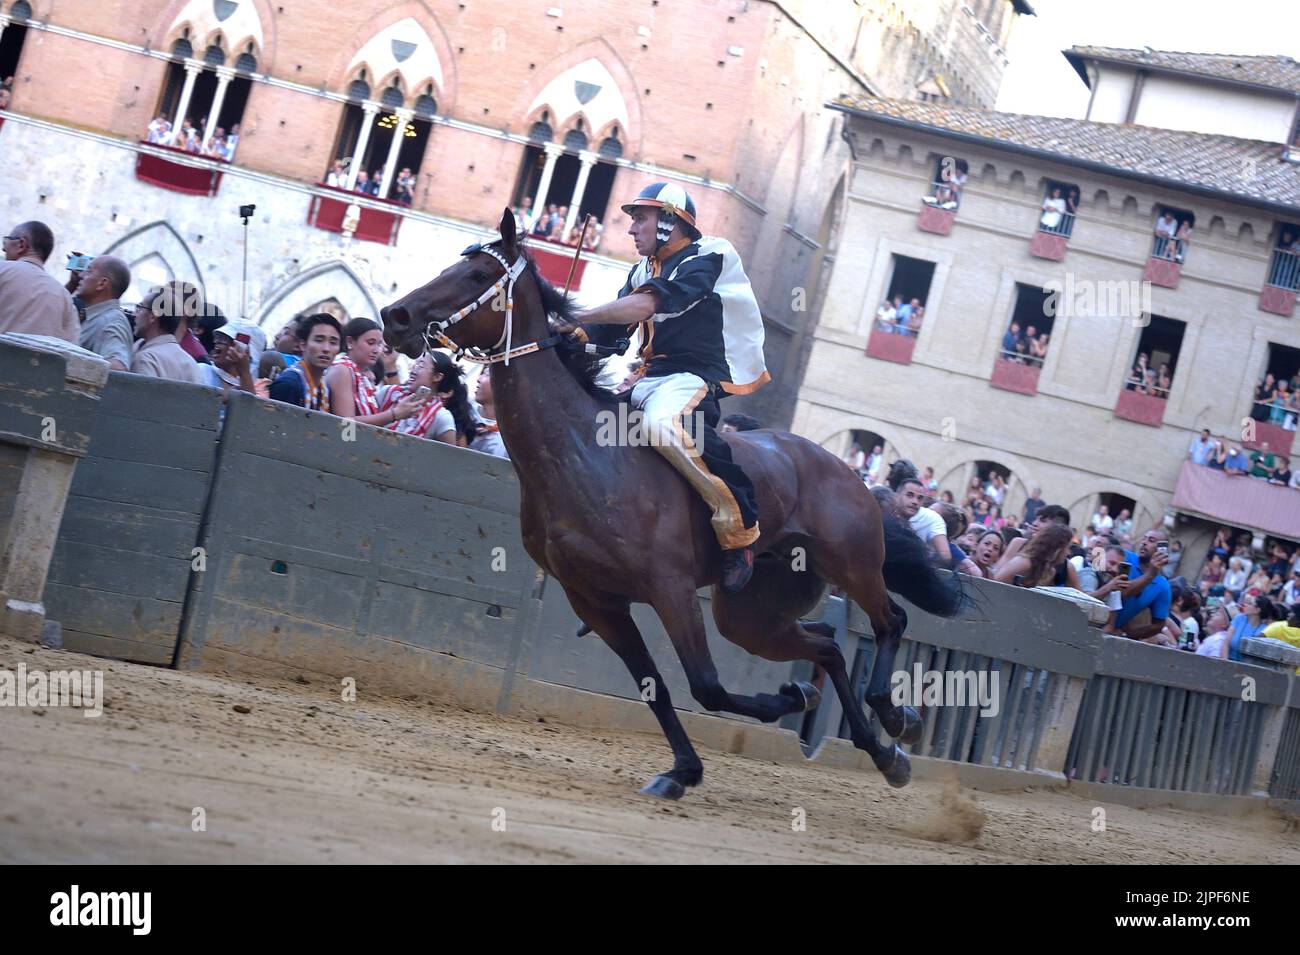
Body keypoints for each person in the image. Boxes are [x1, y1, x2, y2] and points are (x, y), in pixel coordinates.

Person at [560, 182, 770, 593]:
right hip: (648, 378)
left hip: (693, 378)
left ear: (669, 222)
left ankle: (740, 533)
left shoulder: (711, 254)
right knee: (596, 430)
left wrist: (574, 313)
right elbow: (609, 332)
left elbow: (650, 305)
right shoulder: (641, 270)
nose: (631, 228)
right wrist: (563, 336)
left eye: (640, 218)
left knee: (660, 425)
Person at [326, 317, 426, 426]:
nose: (376, 350)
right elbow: (346, 425)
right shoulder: (342, 369)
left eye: (379, 344)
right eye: (370, 343)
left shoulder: (362, 375)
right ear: (350, 342)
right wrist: (394, 414)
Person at [0, 221, 79, 342]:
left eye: (6, 241)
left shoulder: (3, 270)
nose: (3, 248)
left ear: (21, 244)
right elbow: (71, 350)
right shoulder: (65, 299)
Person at [128, 285, 204, 384]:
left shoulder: (146, 359)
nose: (135, 315)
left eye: (140, 308)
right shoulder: (191, 364)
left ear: (152, 316)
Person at [72, 255, 133, 371]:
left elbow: (118, 367)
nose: (81, 275)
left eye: (88, 271)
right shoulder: (98, 317)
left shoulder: (111, 322)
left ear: (102, 284)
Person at [269, 313, 341, 410]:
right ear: (302, 345)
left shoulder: (325, 387)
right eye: (319, 340)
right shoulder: (289, 384)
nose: (326, 349)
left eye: (333, 343)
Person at [1113, 528, 1173, 640]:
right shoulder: (1125, 557)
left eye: (1151, 540)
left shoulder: (1162, 585)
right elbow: (1120, 594)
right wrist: (1150, 574)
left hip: (1111, 632)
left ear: (1161, 549)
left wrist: (1127, 635)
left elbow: (1159, 625)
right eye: (1144, 538)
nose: (1144, 542)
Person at [390, 352, 459, 445]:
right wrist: (393, 414)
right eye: (414, 364)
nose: (413, 370)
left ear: (437, 377)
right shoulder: (390, 393)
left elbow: (449, 457)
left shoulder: (441, 417)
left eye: (420, 365)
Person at [995, 524, 1073, 588]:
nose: (1068, 552)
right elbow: (994, 584)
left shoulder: (1050, 572)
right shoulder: (1024, 563)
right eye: (1067, 548)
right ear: (1056, 549)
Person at [469, 369, 508, 458]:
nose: (478, 379)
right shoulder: (464, 413)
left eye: (486, 374)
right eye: (481, 373)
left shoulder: (509, 437)